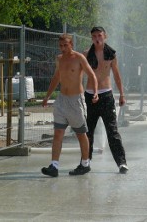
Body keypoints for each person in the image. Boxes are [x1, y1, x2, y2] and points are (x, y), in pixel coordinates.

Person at [41, 33, 98, 177]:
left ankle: (85, 163)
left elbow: (92, 75)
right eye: (60, 46)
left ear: (71, 45)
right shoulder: (59, 59)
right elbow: (56, 78)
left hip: (75, 101)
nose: (63, 48)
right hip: (61, 100)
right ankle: (54, 166)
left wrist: (95, 93)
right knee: (58, 133)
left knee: (80, 133)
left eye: (65, 45)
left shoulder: (79, 58)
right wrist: (47, 96)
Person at [84, 26, 129, 174]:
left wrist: (122, 94)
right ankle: (86, 161)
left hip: (106, 95)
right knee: (88, 130)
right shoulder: (86, 54)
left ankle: (121, 163)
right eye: (94, 36)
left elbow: (116, 75)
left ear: (105, 36)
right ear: (92, 38)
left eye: (100, 35)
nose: (97, 38)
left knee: (112, 131)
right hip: (90, 95)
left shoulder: (111, 54)